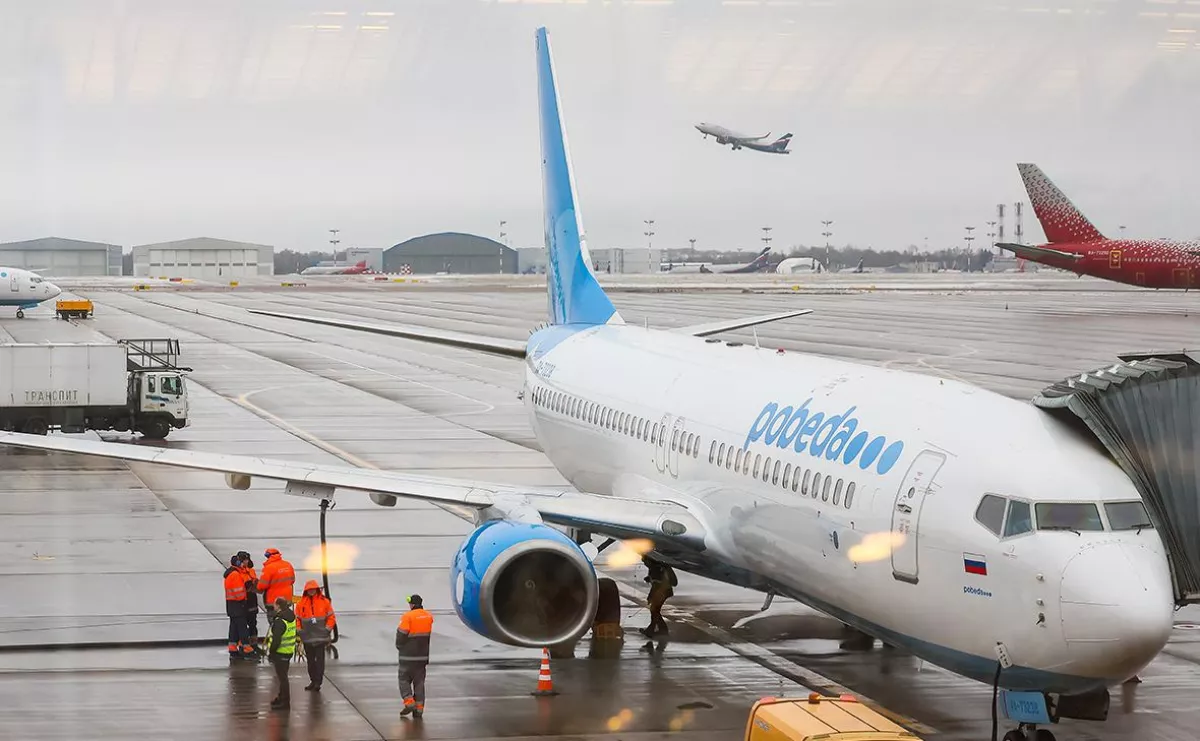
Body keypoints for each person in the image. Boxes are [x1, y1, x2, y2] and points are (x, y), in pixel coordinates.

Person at [395, 594, 434, 718]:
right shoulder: (428, 616)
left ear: (412, 604)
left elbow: (401, 634)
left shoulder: (408, 616)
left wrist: (399, 646)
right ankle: (419, 709)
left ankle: (409, 702)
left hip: (407, 656)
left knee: (403, 679)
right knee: (419, 682)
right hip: (422, 657)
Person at [295, 580, 337, 692]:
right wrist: (300, 630)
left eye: (313, 589)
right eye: (309, 590)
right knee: (310, 662)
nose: (311, 591)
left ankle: (318, 682)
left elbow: (331, 617)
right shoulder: (301, 604)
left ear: (317, 590)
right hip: (307, 637)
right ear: (306, 591)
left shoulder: (324, 602)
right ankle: (313, 681)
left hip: (320, 637)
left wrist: (327, 630)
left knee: (319, 662)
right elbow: (297, 619)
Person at [268, 596, 297, 710]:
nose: (273, 606)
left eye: (274, 604)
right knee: (283, 677)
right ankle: (281, 697)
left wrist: (271, 652)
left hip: (280, 652)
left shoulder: (280, 621)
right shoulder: (290, 617)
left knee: (283, 678)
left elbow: (276, 640)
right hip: (288, 651)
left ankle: (285, 701)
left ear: (278, 606)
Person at [223, 555, 254, 658]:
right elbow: (239, 593)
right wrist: (244, 597)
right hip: (238, 604)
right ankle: (247, 649)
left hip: (231, 605)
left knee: (234, 627)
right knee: (242, 627)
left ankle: (232, 648)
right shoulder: (235, 574)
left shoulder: (230, 573)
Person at [258, 547, 296, 623]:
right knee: (286, 621)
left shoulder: (268, 568)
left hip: (273, 601)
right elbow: (292, 580)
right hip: (287, 599)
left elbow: (261, 586)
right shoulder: (288, 565)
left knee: (275, 623)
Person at [641, 557, 676, 637]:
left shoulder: (654, 569)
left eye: (645, 562)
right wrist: (649, 578)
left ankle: (658, 630)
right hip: (665, 591)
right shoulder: (659, 566)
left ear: (649, 561)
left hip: (662, 592)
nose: (645, 564)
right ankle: (658, 630)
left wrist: (650, 596)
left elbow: (656, 585)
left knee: (654, 610)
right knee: (655, 610)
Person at [236, 551, 262, 655]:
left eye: (247, 560)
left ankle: (254, 645)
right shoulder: (237, 572)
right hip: (243, 601)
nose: (246, 562)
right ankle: (243, 646)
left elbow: (255, 584)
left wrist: (255, 585)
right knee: (242, 625)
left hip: (252, 601)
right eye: (244, 560)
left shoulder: (251, 571)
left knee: (253, 624)